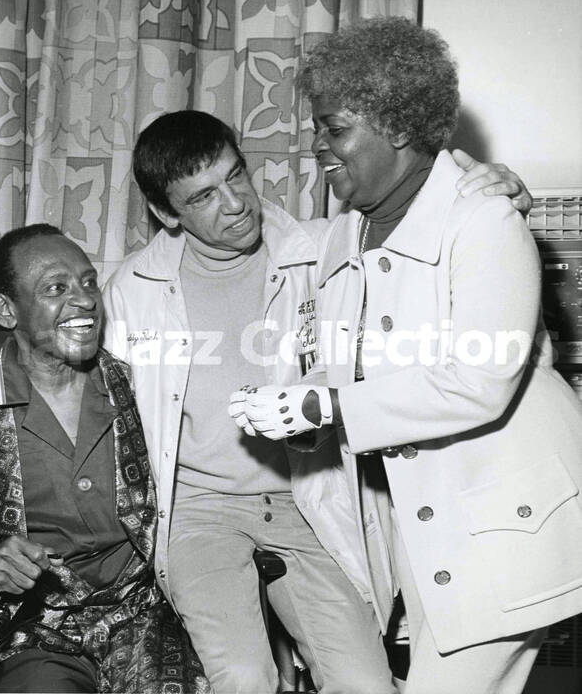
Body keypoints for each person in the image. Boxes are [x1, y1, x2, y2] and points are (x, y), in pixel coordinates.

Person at [97, 109, 533, 694]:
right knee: (244, 676)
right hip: (199, 509)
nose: (235, 204)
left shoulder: (329, 247)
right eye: (202, 197)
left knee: (368, 686)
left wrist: (493, 192)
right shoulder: (131, 292)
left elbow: (433, 239)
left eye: (236, 176)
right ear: (165, 213)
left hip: (308, 497)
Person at [232, 17, 582, 694]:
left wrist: (321, 405)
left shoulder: (483, 218)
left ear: (396, 125)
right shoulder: (351, 232)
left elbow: (478, 379)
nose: (320, 150)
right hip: (437, 534)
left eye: (336, 129)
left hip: (503, 530)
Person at [0, 225, 209, 693]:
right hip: (32, 634)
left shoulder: (144, 391)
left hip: (145, 619)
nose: (85, 300)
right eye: (57, 288)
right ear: (7, 310)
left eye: (89, 283)